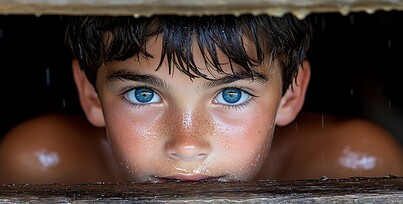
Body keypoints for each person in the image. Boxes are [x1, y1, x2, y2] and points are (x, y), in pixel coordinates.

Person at [0, 14, 402, 183]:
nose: (187, 145)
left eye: (231, 94)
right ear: (89, 92)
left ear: (290, 92)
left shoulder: (353, 164)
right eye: (143, 94)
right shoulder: (43, 164)